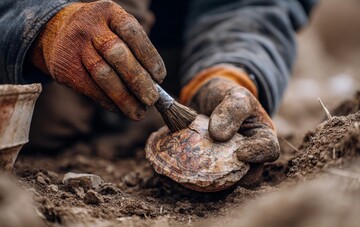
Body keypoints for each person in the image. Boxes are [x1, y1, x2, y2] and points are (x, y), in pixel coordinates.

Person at [0, 0, 316, 174]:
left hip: (169, 55)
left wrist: (230, 74)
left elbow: (247, 6)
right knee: (51, 115)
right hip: (23, 69)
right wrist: (39, 24)